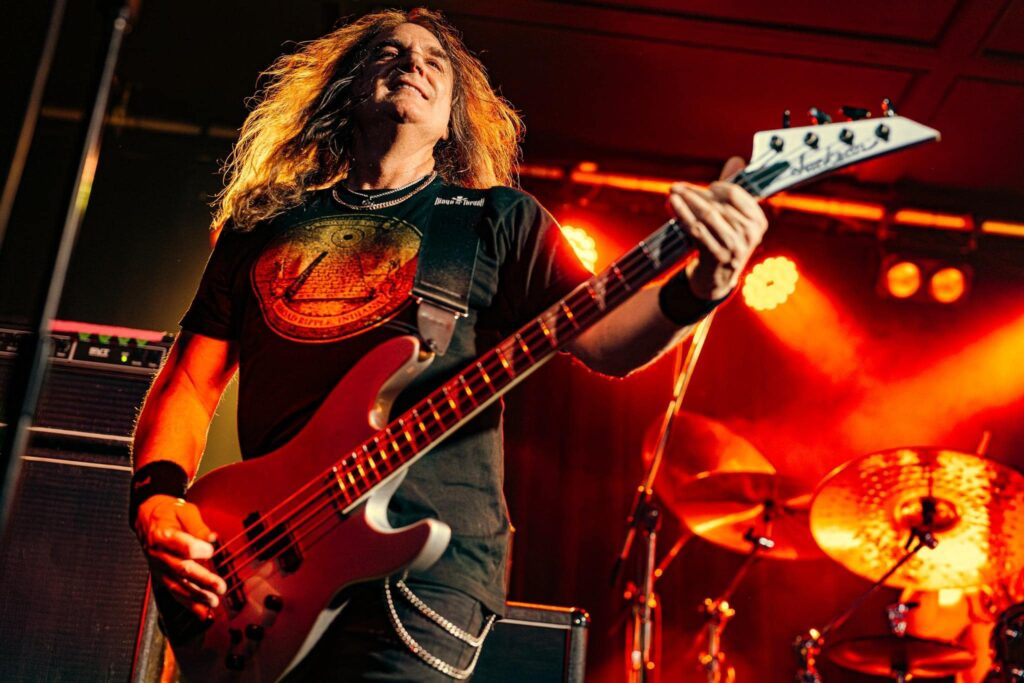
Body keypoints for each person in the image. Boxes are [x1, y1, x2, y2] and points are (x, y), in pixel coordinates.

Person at [129, 8, 767, 681]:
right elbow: (189, 382)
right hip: (260, 565)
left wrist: (701, 286)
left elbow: (607, 341)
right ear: (347, 85)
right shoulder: (264, 224)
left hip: (422, 574)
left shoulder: (496, 221)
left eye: (435, 62)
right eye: (390, 52)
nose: (414, 64)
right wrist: (158, 498)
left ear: (452, 116)